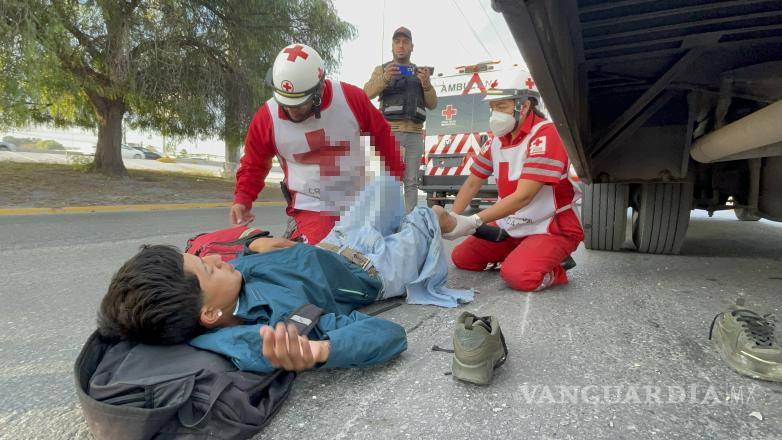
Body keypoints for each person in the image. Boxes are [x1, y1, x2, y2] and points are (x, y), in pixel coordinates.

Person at [98, 177, 472, 374]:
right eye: (207, 267)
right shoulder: (283, 323)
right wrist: (319, 352)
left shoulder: (220, 290)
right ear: (209, 314)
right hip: (376, 268)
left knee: (385, 185)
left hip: (335, 243)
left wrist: (253, 245)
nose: (212, 256)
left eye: (202, 258)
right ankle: (469, 223)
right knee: (429, 215)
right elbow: (389, 336)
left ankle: (415, 228)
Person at [231, 43, 406, 245]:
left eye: (300, 104)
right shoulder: (266, 118)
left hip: (361, 199)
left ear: (321, 86)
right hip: (312, 205)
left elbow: (383, 139)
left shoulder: (352, 99)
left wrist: (395, 184)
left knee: (378, 252)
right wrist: (243, 199)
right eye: (286, 104)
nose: (292, 111)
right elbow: (253, 163)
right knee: (323, 258)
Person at [437, 84, 584, 292]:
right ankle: (525, 254)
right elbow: (472, 182)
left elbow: (524, 196)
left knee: (519, 276)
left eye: (501, 106)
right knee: (462, 258)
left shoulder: (545, 134)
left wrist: (473, 220)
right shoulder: (496, 141)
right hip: (512, 225)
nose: (495, 114)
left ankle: (554, 268)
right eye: (492, 108)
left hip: (550, 226)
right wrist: (453, 218)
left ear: (523, 107)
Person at [363, 26, 437, 212]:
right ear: (392, 46)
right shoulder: (381, 69)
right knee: (388, 181)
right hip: (390, 133)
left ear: (412, 46)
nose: (401, 46)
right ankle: (387, 219)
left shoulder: (420, 73)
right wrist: (386, 78)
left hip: (414, 135)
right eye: (397, 42)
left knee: (411, 182)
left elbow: (433, 103)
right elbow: (366, 93)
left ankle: (410, 223)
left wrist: (426, 84)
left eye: (405, 42)